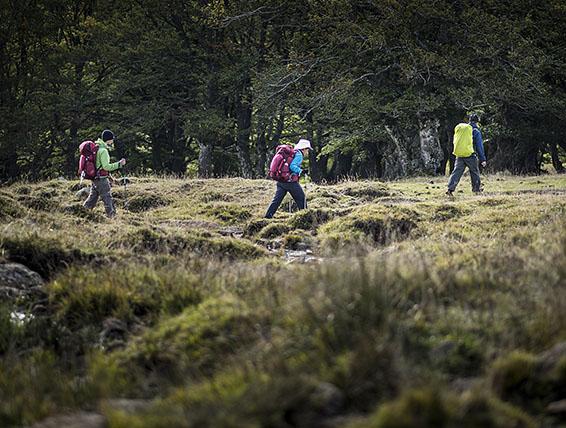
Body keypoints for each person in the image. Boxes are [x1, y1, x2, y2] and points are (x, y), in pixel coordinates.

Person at [83, 130, 126, 217]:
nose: (113, 141)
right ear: (108, 140)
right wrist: (119, 164)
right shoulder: (103, 151)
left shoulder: (97, 147)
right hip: (101, 179)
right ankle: (112, 217)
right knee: (107, 197)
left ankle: (82, 211)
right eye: (112, 139)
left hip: (95, 178)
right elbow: (106, 167)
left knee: (92, 198)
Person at [265, 138, 312, 218]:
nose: (307, 152)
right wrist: (301, 171)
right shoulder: (299, 155)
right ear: (304, 149)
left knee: (276, 200)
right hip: (290, 182)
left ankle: (268, 217)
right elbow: (292, 166)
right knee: (301, 198)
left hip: (281, 181)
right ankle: (305, 217)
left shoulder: (292, 153)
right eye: (307, 150)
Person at [446, 114, 486, 197]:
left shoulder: (463, 130)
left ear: (469, 120)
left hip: (460, 155)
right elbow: (479, 146)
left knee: (456, 172)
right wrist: (482, 159)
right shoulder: (475, 131)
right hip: (470, 155)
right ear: (477, 122)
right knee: (474, 172)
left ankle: (450, 189)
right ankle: (476, 189)